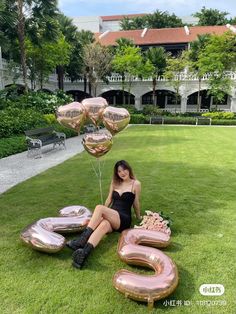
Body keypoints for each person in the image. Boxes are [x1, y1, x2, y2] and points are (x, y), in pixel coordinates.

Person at [67, 160, 142, 269]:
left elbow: (136, 202)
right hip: (112, 216)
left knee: (99, 207)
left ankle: (81, 240)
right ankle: (83, 254)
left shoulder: (136, 184)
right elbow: (109, 199)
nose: (122, 173)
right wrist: (100, 216)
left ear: (129, 169)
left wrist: (138, 216)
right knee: (103, 225)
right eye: (119, 171)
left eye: (124, 169)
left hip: (123, 219)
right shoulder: (115, 182)